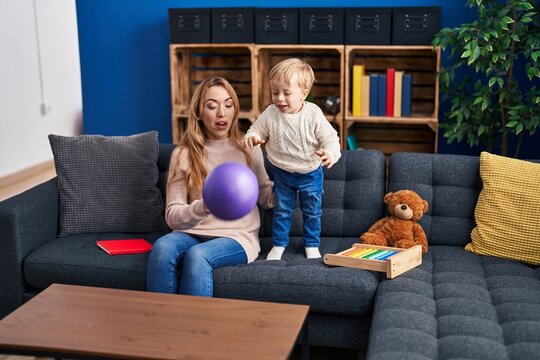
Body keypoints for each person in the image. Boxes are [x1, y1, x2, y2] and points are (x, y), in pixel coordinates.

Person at [147, 77, 275, 296]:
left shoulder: (249, 149)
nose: (221, 113)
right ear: (199, 112)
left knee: (198, 256)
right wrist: (204, 207)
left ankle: (195, 329)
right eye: (212, 106)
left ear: (235, 109)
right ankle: (163, 325)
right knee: (162, 247)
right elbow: (172, 215)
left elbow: (265, 198)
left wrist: (297, 178)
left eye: (228, 104)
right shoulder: (184, 154)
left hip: (236, 236)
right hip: (191, 231)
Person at [244, 58, 341, 260]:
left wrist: (330, 153)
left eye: (287, 93)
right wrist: (252, 137)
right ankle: (279, 244)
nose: (279, 98)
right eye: (275, 92)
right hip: (282, 173)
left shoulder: (313, 114)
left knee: (312, 211)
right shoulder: (270, 114)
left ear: (304, 93)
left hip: (310, 173)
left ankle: (312, 245)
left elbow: (330, 138)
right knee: (282, 211)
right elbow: (256, 129)